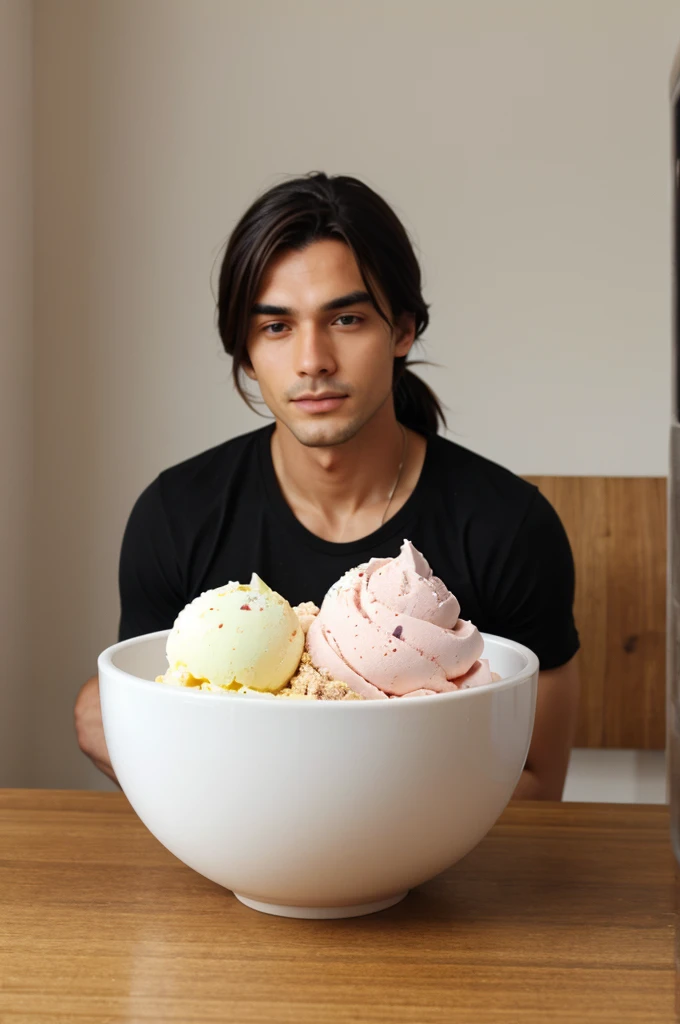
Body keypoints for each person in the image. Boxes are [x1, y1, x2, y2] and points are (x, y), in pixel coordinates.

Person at [75, 171, 580, 796]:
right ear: (245, 350)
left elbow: (534, 779)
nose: (312, 359)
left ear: (401, 329)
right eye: (276, 327)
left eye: (344, 319)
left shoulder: (509, 527)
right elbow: (137, 719)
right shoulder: (177, 514)